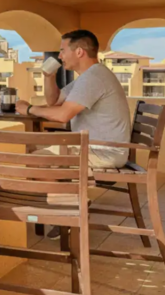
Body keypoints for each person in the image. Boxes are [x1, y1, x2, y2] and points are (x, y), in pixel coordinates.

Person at [15, 30, 132, 239]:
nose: (59, 56)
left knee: (34, 160)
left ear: (79, 52)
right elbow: (55, 101)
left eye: (62, 50)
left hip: (103, 151)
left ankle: (68, 212)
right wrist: (48, 77)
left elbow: (62, 115)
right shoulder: (88, 77)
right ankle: (69, 206)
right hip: (95, 147)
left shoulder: (94, 77)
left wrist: (29, 109)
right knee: (36, 154)